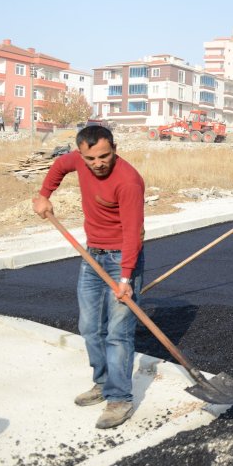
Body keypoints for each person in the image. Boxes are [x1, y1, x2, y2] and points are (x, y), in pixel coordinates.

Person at [32, 125, 145, 430]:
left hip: (122, 257)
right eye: (90, 157)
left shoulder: (129, 181)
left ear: (115, 148)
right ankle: (103, 382)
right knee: (89, 327)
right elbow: (58, 166)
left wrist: (125, 279)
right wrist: (43, 195)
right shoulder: (78, 161)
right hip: (91, 255)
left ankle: (120, 398)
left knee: (118, 332)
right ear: (81, 153)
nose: (98, 163)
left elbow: (133, 234)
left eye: (104, 156)